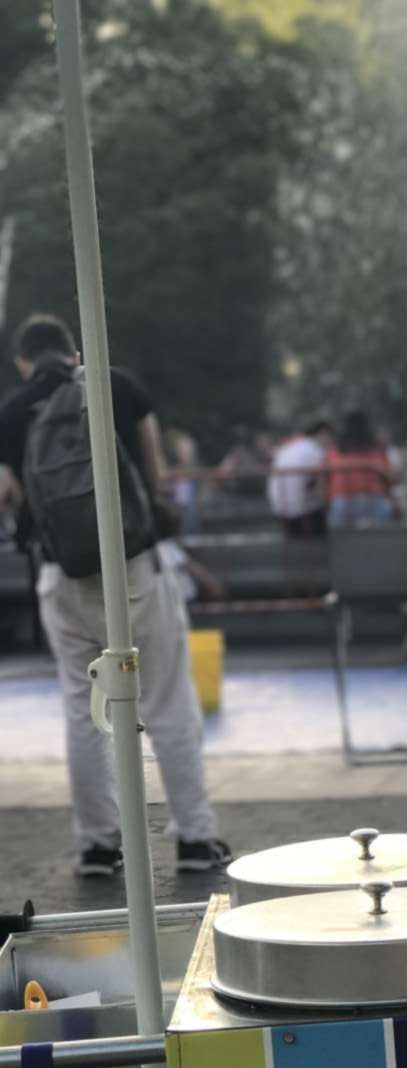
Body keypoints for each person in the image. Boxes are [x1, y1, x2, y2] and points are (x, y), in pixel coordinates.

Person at [0, 313, 229, 876]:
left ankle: (99, 847)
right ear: (75, 354)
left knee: (84, 709)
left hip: (62, 576)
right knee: (167, 701)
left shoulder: (9, 413)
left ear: (23, 363)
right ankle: (196, 838)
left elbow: (10, 497)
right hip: (131, 568)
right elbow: (152, 480)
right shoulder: (116, 385)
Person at [325, 409, 394, 528]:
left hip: (342, 499)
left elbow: (327, 476)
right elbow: (388, 476)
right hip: (373, 498)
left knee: (339, 538)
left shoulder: (335, 451)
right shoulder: (377, 449)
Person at [267, 418, 334, 538]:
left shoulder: (289, 448)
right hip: (303, 511)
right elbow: (320, 486)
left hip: (280, 508)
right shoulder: (316, 451)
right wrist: (327, 506)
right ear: (323, 433)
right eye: (330, 437)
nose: (331, 442)